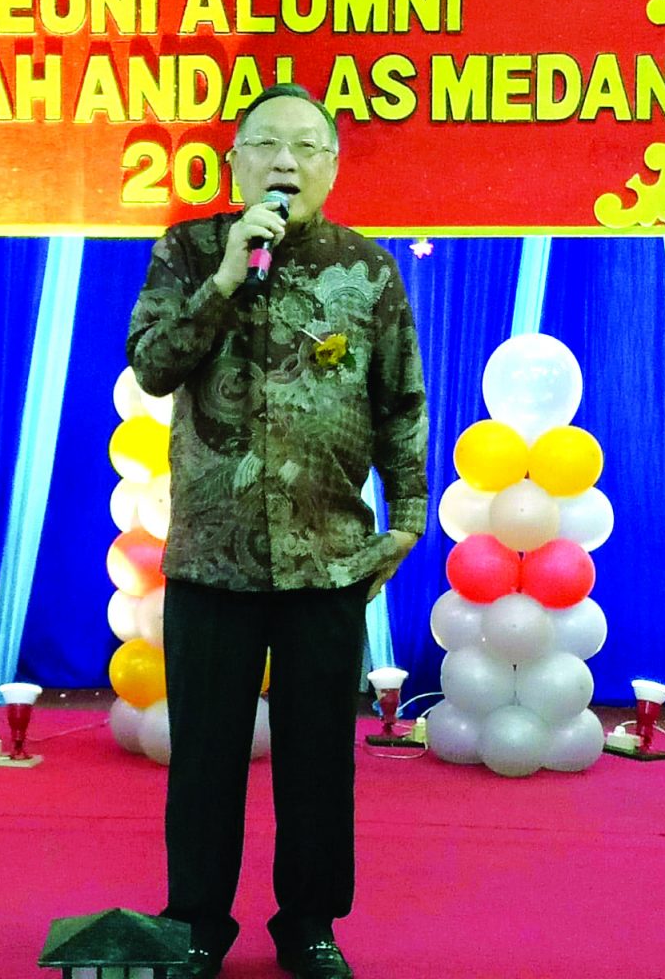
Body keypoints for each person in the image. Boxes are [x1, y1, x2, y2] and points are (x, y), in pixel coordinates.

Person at [126, 83, 428, 979]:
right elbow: (151, 367)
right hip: (211, 555)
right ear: (234, 163)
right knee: (205, 758)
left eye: (304, 146)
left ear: (330, 167)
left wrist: (409, 518)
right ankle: (194, 923)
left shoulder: (367, 269)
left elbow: (399, 401)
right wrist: (225, 277)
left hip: (326, 558)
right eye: (263, 144)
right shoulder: (187, 250)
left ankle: (309, 925)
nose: (283, 161)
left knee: (317, 762)